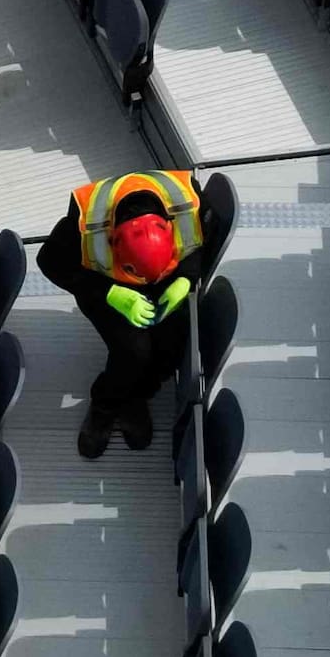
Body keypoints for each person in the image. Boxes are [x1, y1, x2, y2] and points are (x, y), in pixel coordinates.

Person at [34, 165, 231, 459]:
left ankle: (137, 397)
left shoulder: (188, 199)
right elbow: (50, 261)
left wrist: (184, 279)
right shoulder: (83, 221)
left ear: (169, 225)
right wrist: (109, 293)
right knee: (132, 351)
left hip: (169, 275)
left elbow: (202, 242)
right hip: (108, 286)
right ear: (114, 240)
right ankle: (104, 405)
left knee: (170, 349)